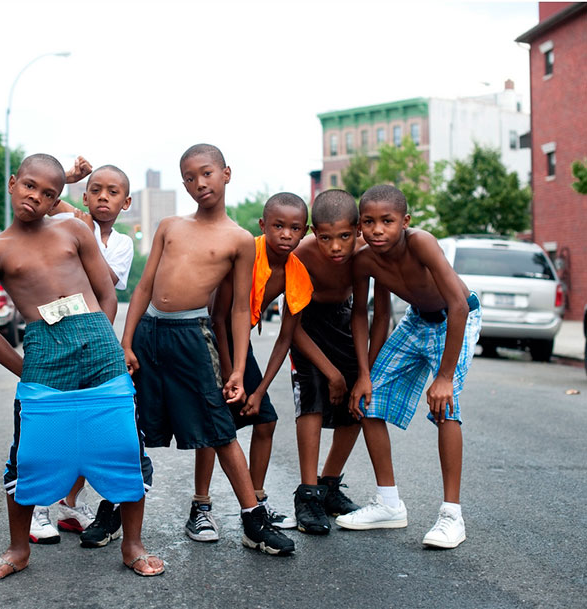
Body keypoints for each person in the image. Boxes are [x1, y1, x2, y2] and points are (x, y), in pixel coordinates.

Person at [0, 153, 162, 578]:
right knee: (30, 456)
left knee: (125, 448)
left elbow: (108, 292)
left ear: (58, 198)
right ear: (12, 183)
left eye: (48, 194)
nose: (35, 197)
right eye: (29, 186)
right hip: (42, 350)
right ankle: (18, 549)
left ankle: (132, 544)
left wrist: (100, 337)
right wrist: (28, 370)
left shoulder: (74, 229)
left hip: (98, 342)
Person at [121, 143, 295, 556]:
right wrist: (126, 342)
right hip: (149, 333)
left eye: (207, 174)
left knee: (219, 427)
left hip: (192, 336)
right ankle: (115, 512)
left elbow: (237, 308)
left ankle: (253, 521)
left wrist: (235, 369)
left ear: (226, 174)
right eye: (189, 177)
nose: (199, 183)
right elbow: (144, 287)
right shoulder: (169, 226)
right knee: (130, 426)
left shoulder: (239, 240)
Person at [336, 184, 481, 550]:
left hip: (456, 318)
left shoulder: (422, 243)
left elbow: (459, 305)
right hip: (416, 321)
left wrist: (444, 377)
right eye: (368, 222)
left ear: (405, 221)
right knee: (368, 402)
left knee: (446, 406)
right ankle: (388, 503)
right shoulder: (365, 260)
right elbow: (371, 314)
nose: (377, 229)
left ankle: (451, 515)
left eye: (387, 221)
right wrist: (364, 375)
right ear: (359, 227)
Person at [187, 192, 312, 542]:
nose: (286, 234)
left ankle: (255, 504)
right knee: (216, 425)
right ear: (263, 226)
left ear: (305, 232)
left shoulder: (296, 273)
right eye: (278, 226)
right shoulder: (246, 252)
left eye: (295, 228)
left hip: (239, 344)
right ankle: (201, 506)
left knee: (266, 419)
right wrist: (231, 375)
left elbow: (285, 338)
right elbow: (219, 317)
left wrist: (257, 391)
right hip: (208, 338)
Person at [40, 164, 136, 548]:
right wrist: (67, 174)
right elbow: (42, 196)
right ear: (83, 194)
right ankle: (37, 508)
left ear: (125, 202)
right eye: (95, 190)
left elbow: (106, 282)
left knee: (90, 427)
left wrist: (85, 236)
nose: (102, 197)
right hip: (58, 330)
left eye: (112, 192)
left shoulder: (122, 243)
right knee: (54, 425)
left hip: (96, 339)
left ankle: (69, 503)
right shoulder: (67, 218)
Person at [288, 189, 366, 536]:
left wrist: (363, 372)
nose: (336, 247)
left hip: (346, 321)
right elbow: (293, 326)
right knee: (313, 398)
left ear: (359, 230)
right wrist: (330, 372)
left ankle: (329, 484)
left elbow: (367, 311)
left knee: (357, 400)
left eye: (345, 237)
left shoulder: (366, 252)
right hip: (305, 325)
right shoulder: (301, 255)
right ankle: (308, 494)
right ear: (312, 233)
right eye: (326, 238)